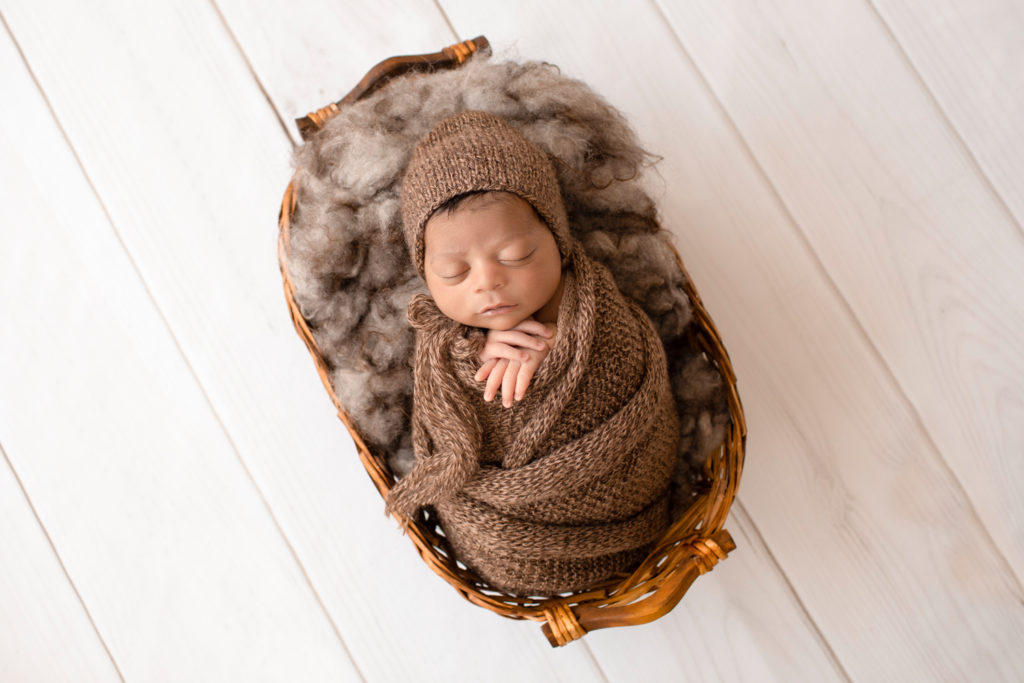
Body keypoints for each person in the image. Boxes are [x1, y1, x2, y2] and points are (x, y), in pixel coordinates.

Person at [387, 110, 679, 596]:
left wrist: (563, 347)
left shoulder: (598, 312)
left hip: (628, 501)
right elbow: (439, 424)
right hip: (503, 546)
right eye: (455, 272)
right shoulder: (445, 342)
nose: (487, 282)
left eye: (516, 256)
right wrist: (469, 353)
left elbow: (630, 365)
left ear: (559, 242)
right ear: (426, 278)